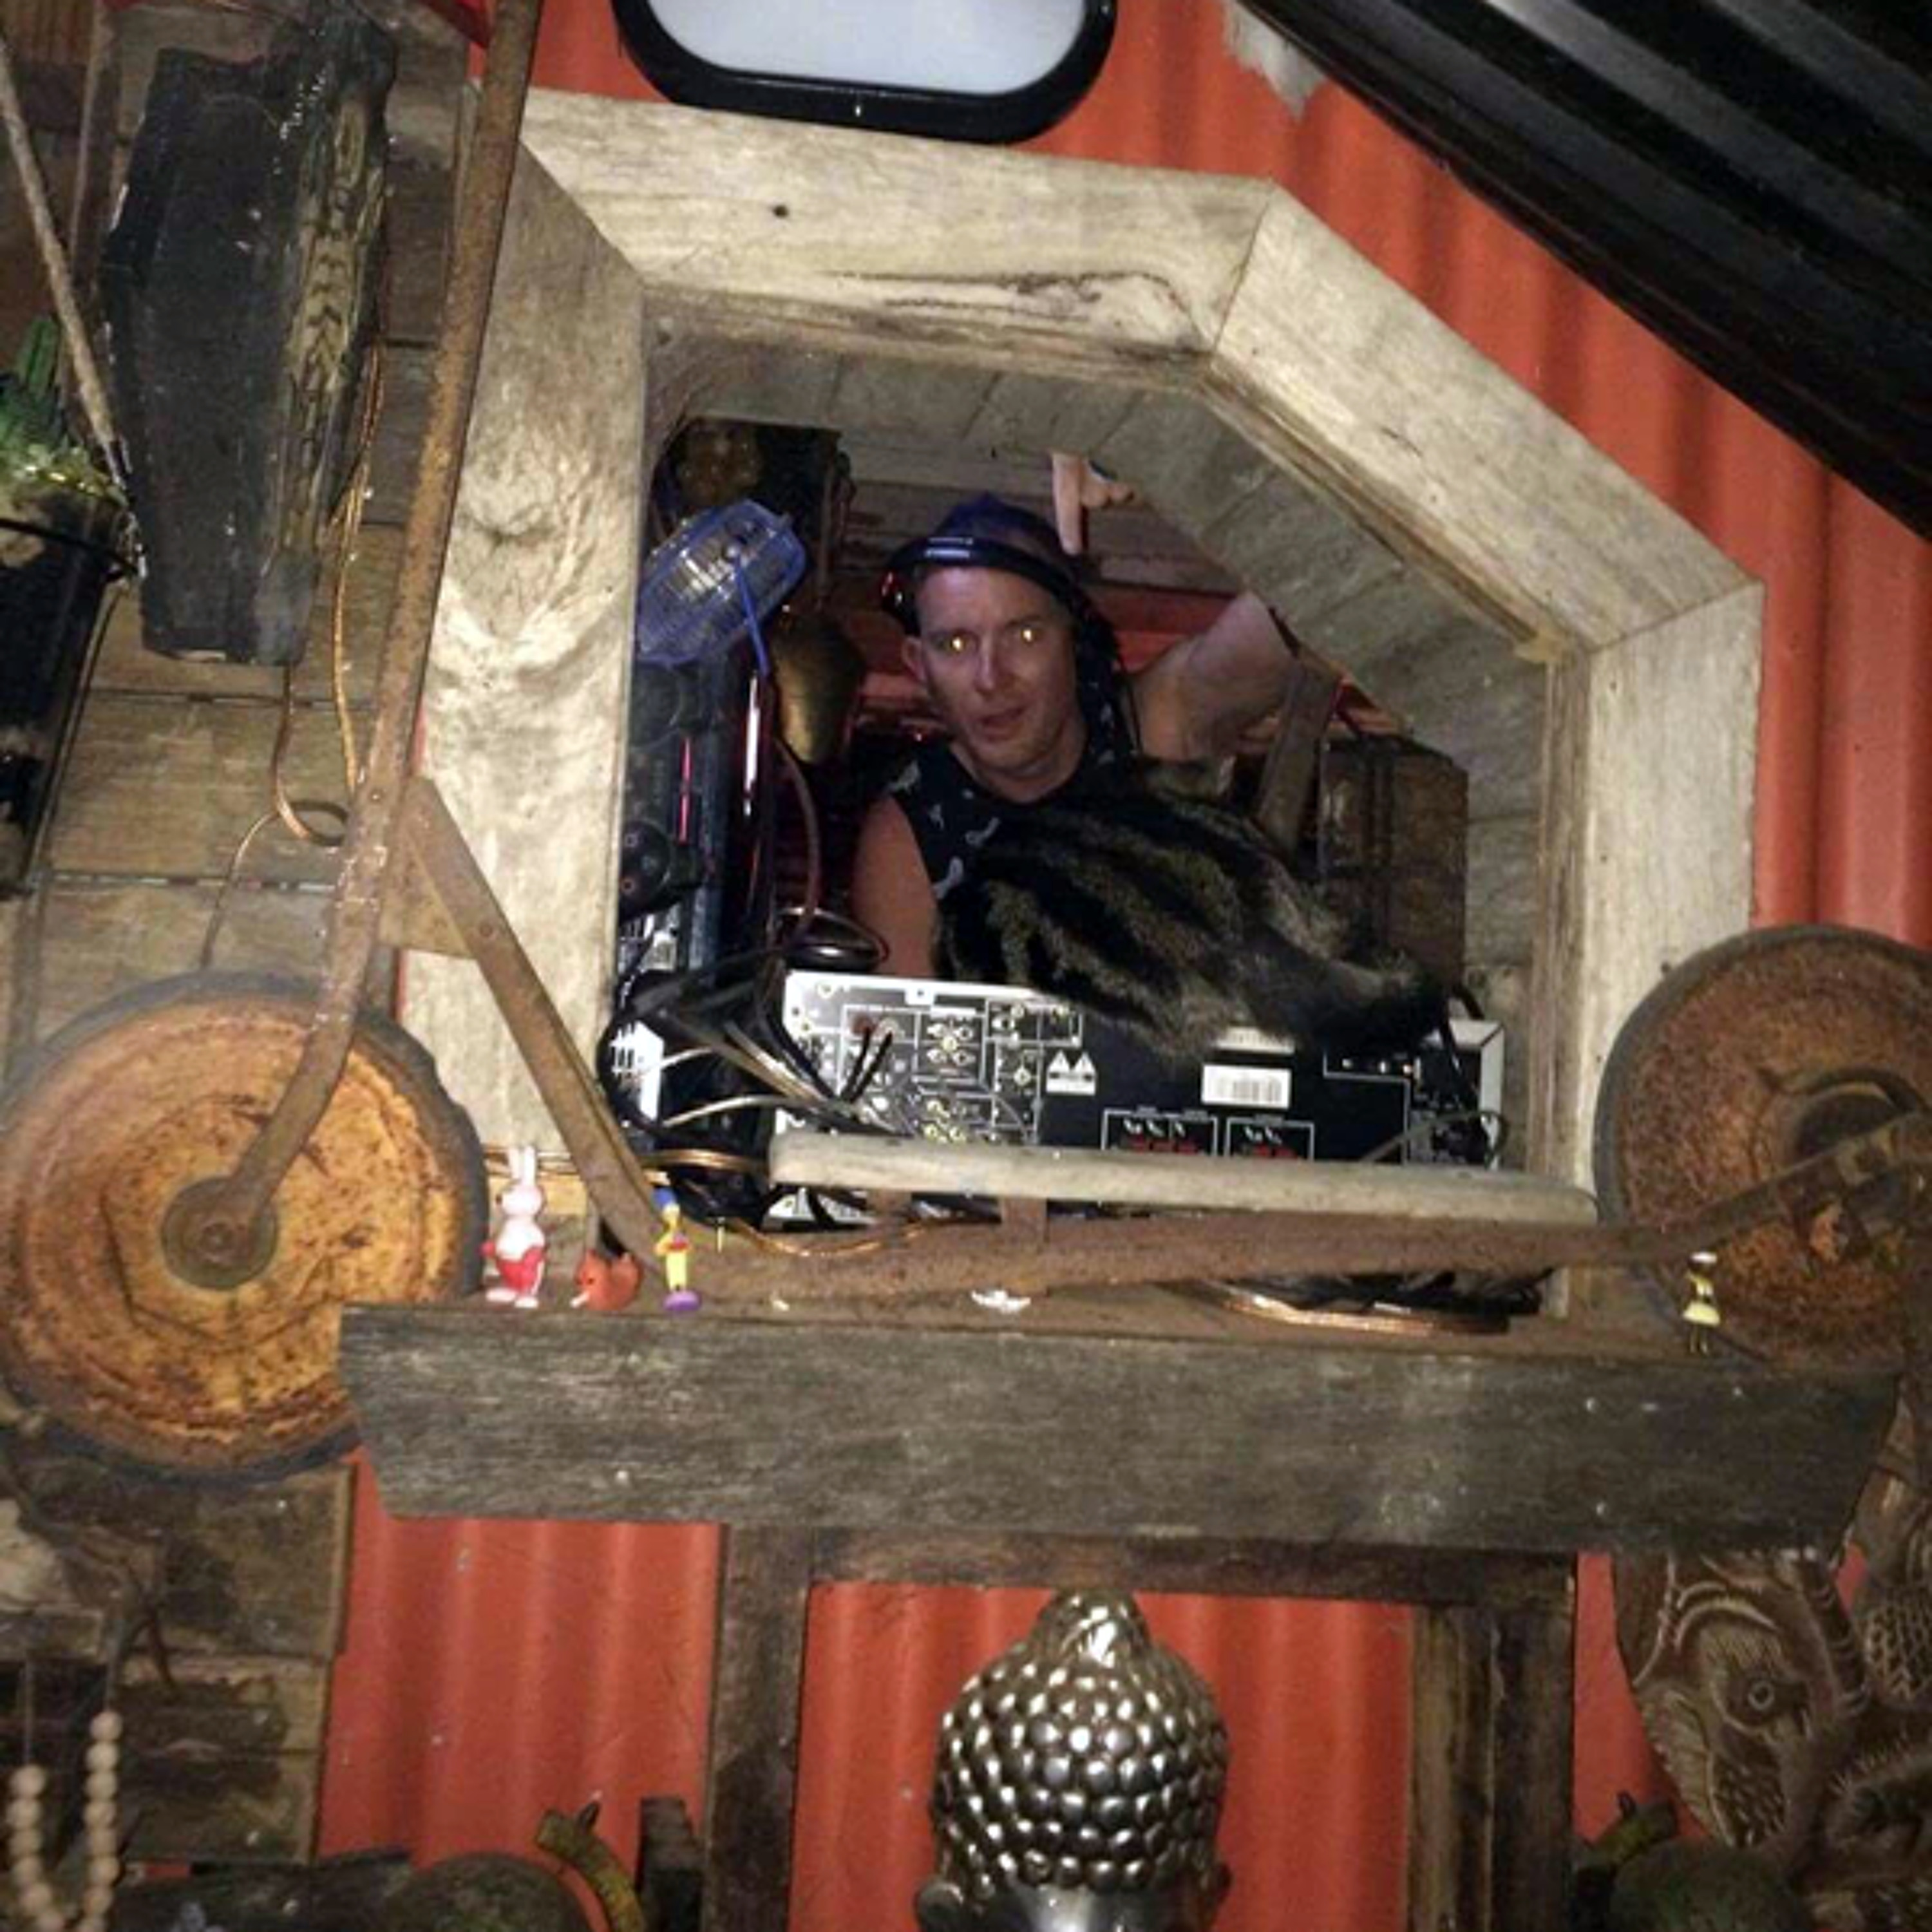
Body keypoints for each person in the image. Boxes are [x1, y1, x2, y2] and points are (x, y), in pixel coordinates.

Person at [851, 495, 1296, 978]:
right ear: (919, 665)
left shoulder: (1153, 724)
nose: (990, 678)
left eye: (1024, 635)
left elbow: (1305, 595)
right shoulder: (909, 835)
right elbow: (908, 1020)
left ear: (1077, 641)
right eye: (956, 644)